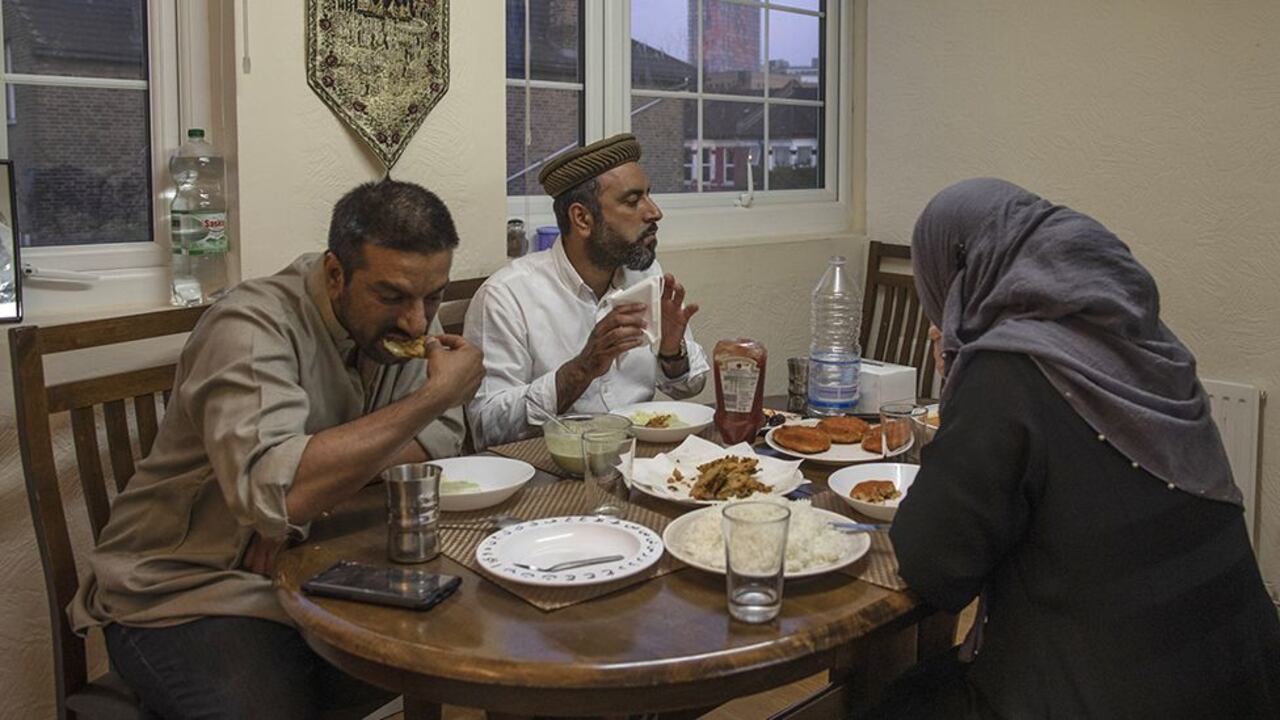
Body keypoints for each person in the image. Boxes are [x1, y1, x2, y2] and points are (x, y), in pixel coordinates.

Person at [862, 178, 1280, 719]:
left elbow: (934, 565)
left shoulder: (1005, 370)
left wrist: (961, 371)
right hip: (1244, 678)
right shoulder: (1152, 352)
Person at [69, 180, 485, 719]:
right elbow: (283, 490)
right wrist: (430, 397)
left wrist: (306, 505)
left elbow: (437, 438)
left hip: (310, 566)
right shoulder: (249, 326)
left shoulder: (404, 306)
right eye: (393, 297)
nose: (416, 321)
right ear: (335, 274)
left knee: (458, 646)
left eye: (433, 297)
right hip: (184, 590)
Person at [464, 133, 709, 449]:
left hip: (640, 457)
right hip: (549, 471)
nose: (654, 212)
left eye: (649, 195)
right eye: (633, 201)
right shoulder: (506, 297)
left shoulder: (644, 273)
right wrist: (580, 371)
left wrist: (672, 353)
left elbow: (689, 387)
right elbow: (488, 425)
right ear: (582, 218)